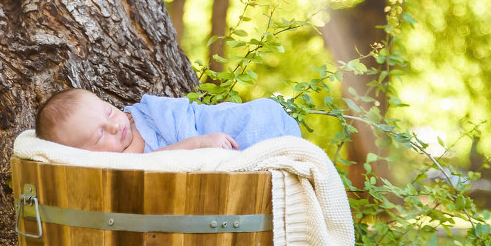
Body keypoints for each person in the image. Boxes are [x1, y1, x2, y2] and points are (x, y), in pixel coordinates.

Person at [35, 87, 301, 154]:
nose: (115, 126)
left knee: (257, 115)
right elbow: (158, 163)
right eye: (99, 136)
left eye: (108, 112)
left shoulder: (138, 115)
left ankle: (277, 134)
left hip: (199, 121)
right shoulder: (122, 163)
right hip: (200, 137)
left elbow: (187, 116)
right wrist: (197, 143)